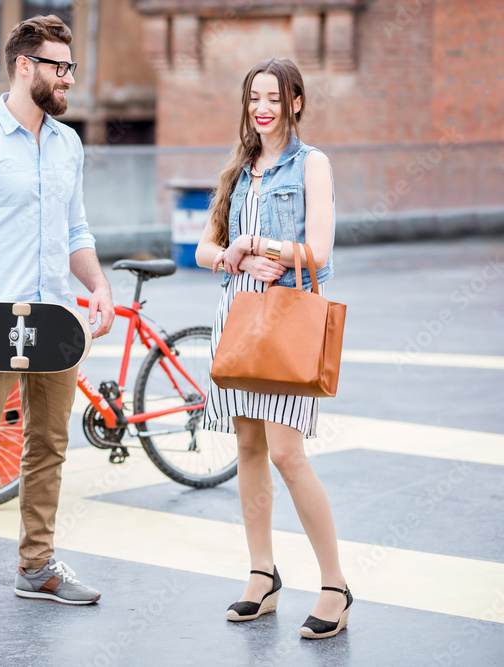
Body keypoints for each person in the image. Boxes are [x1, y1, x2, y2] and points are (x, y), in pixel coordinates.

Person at [0, 15, 114, 625]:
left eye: (71, 68)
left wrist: (99, 285)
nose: (67, 79)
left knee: (49, 445)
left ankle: (37, 568)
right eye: (58, 68)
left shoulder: (68, 144)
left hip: (56, 324)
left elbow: (76, 230)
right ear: (24, 67)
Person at [195, 57, 351, 640]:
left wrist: (264, 245)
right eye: (253, 98)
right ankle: (262, 575)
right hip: (238, 316)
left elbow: (321, 251)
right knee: (250, 449)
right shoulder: (239, 167)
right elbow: (204, 250)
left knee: (287, 455)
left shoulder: (312, 165)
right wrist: (233, 252)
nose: (262, 108)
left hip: (284, 320)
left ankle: (335, 584)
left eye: (273, 98)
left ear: (296, 103)